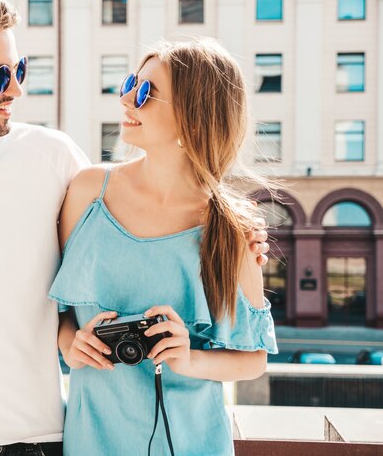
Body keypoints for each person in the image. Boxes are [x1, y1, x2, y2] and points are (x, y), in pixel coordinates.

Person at [0, 0, 270, 456]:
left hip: (44, 439)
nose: (16, 89)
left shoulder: (56, 159)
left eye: (19, 70)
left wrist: (234, 232)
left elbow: (84, 282)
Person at [50, 39, 279, 456]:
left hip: (194, 442)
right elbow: (56, 314)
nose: (125, 99)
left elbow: (253, 359)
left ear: (194, 117)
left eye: (145, 93)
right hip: (92, 439)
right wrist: (72, 345)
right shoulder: (87, 191)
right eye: (130, 84)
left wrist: (188, 358)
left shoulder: (232, 228)